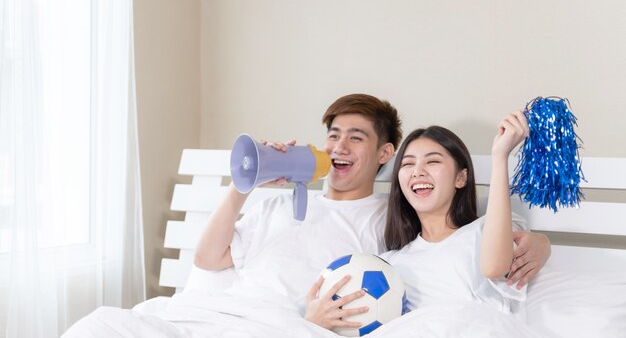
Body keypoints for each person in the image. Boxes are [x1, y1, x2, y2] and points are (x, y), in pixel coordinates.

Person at [196, 95, 550, 324]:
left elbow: (478, 246)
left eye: (356, 137)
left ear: (384, 155)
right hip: (224, 319)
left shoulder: (385, 223)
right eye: (333, 135)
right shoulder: (275, 206)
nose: (339, 147)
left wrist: (539, 241)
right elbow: (207, 259)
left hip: (291, 334)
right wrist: (245, 184)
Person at [381, 111, 532, 314]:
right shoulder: (391, 263)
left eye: (432, 161)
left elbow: (494, 268)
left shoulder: (487, 230)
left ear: (461, 178)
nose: (417, 171)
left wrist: (500, 156)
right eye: (408, 164)